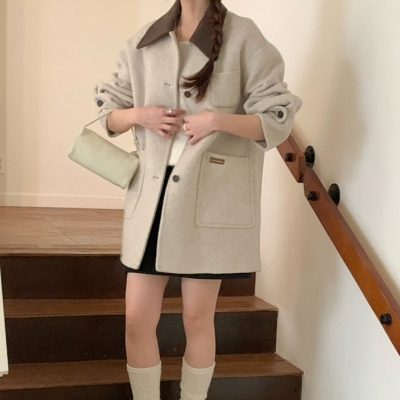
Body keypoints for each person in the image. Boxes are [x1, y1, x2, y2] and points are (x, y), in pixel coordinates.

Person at [94, 0, 302, 399]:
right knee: (136, 320)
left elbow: (277, 117)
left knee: (197, 319)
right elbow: (108, 111)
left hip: (209, 203)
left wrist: (217, 120)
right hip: (151, 202)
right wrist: (140, 115)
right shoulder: (144, 41)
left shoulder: (244, 36)